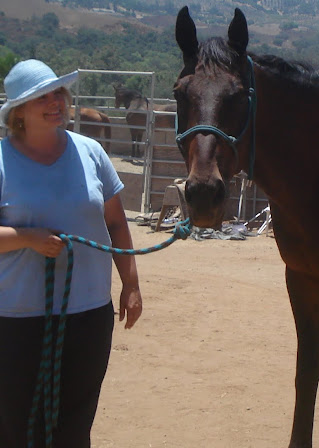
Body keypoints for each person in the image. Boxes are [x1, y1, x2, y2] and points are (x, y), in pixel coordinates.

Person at [0, 59, 142, 447]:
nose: (55, 102)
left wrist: (130, 283)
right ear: (18, 112)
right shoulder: (1, 160)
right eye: (41, 98)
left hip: (88, 314)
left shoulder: (90, 152)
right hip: (16, 318)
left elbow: (115, 223)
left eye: (57, 93)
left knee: (75, 424)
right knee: (16, 423)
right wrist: (28, 237)